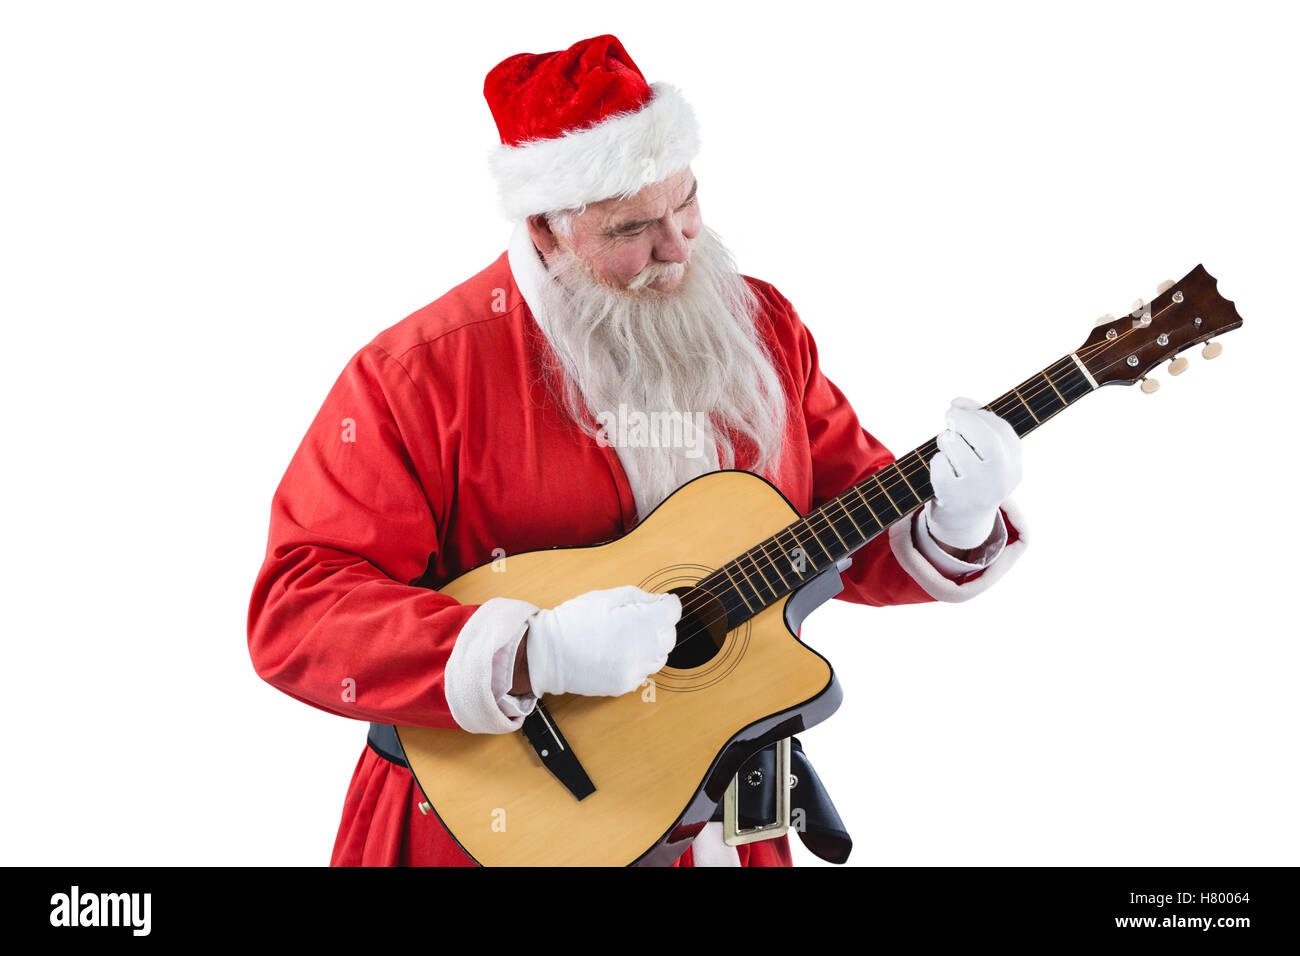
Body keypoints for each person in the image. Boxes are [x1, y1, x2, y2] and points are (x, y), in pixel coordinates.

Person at [246, 34, 1029, 867]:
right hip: (493, 831)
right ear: (546, 227)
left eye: (686, 202)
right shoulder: (417, 377)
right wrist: (526, 651)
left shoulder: (758, 328)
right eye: (633, 227)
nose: (680, 245)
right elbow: (299, 611)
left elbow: (837, 528)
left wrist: (954, 516)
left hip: (731, 823)